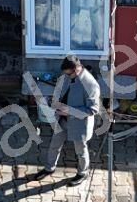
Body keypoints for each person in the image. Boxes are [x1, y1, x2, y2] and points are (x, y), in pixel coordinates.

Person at [40, 56, 103, 185]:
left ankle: (83, 173)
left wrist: (69, 111)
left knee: (81, 150)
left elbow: (93, 110)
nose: (66, 76)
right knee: (54, 145)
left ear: (76, 69)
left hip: (79, 124)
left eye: (68, 73)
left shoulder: (91, 85)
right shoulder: (69, 77)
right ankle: (49, 168)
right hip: (62, 119)